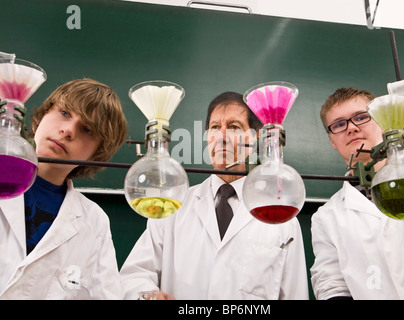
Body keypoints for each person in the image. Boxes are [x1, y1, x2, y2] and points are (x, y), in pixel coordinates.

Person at [119, 91, 309, 300]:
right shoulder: (173, 206)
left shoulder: (281, 218)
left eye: (234, 127)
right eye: (215, 128)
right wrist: (149, 297)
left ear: (255, 138)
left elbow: (295, 294)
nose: (222, 137)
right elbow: (133, 275)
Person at [311, 42, 404, 300]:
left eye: (361, 116)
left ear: (382, 120)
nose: (351, 128)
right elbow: (331, 287)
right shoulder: (326, 218)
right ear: (331, 140)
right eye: (339, 124)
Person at [0, 78, 128, 299]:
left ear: (96, 155)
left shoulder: (94, 222)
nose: (68, 131)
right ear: (42, 116)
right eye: (65, 113)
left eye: (87, 129)